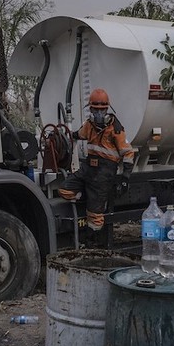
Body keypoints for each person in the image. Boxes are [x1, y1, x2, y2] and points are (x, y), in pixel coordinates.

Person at [59, 88, 135, 243]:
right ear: (91, 109)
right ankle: (87, 196)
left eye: (102, 110)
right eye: (96, 109)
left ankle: (94, 241)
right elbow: (77, 134)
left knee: (95, 214)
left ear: (107, 109)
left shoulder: (116, 129)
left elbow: (127, 153)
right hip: (88, 168)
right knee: (64, 189)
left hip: (104, 173)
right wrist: (63, 137)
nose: (99, 113)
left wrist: (126, 176)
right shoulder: (89, 125)